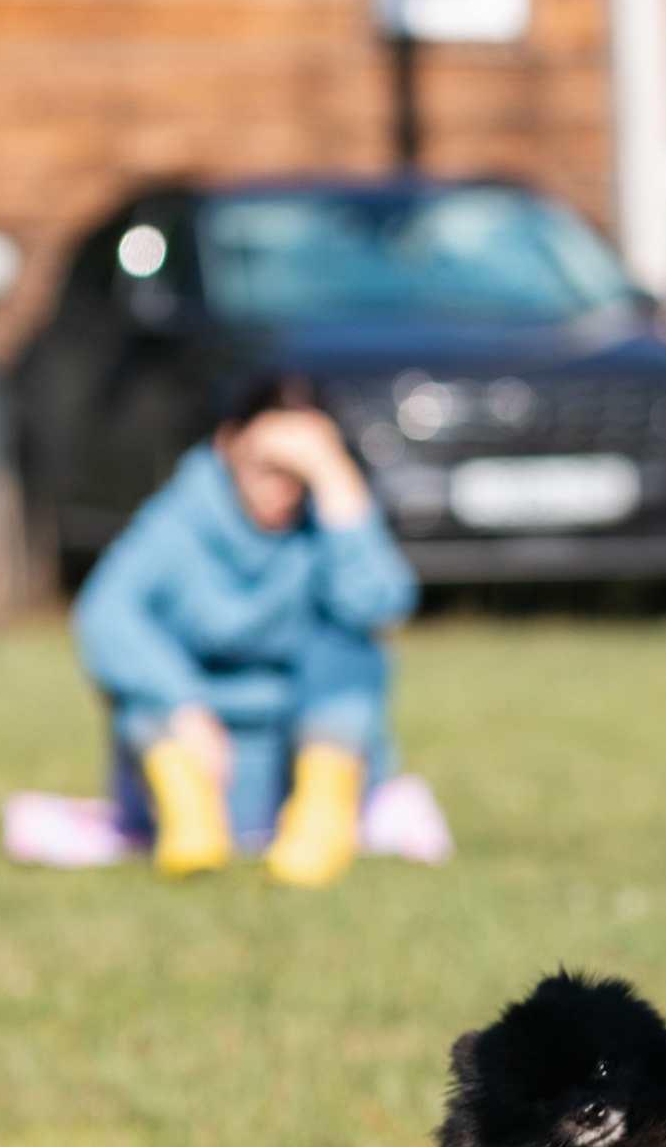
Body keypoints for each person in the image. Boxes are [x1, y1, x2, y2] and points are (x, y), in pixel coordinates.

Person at [72, 370, 417, 886]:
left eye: (298, 470)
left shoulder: (325, 525)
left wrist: (335, 480)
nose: (283, 483)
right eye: (269, 464)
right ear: (229, 444)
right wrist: (180, 702)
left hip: (305, 763)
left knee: (350, 647)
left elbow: (380, 606)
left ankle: (321, 823)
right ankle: (191, 833)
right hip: (188, 762)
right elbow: (104, 616)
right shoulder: (179, 521)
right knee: (141, 689)